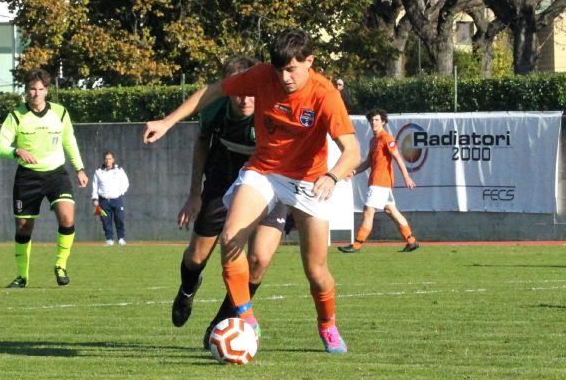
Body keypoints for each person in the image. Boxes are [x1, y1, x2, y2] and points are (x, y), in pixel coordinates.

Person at [143, 28, 361, 354]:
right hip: (263, 172)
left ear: (309, 61)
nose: (284, 78)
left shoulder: (324, 94)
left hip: (306, 181)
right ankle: (246, 318)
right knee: (230, 239)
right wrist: (167, 121)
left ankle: (327, 325)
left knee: (315, 271)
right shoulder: (260, 77)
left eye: (291, 70)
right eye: (279, 70)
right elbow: (211, 92)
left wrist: (332, 175)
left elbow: (352, 150)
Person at [170, 56, 288, 350]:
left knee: (258, 259)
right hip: (222, 180)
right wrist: (195, 193)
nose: (246, 99)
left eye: (251, 92)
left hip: (270, 182)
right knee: (196, 258)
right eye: (239, 91)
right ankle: (187, 289)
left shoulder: (272, 106)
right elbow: (201, 143)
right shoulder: (215, 108)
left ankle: (223, 320)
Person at [0, 68, 88, 288]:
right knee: (24, 228)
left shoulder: (60, 113)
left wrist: (79, 168)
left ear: (47, 91)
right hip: (27, 177)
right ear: (27, 92)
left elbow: (69, 141)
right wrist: (16, 151)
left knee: (67, 217)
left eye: (41, 89)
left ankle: (61, 265)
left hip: (56, 174)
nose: (36, 93)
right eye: (32, 89)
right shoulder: (16, 116)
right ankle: (22, 276)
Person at [338, 108, 420, 254]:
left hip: (380, 182)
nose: (374, 122)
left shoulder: (386, 138)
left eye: (377, 120)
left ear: (383, 122)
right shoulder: (373, 140)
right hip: (379, 182)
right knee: (391, 210)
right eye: (372, 120)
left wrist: (406, 177)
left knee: (368, 211)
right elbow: (369, 161)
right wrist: (353, 172)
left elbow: (398, 158)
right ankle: (411, 241)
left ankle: (356, 245)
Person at [91, 151, 130, 246]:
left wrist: (120, 192)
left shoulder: (119, 170)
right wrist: (95, 199)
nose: (108, 161)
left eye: (110, 159)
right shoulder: (98, 172)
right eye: (106, 159)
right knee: (105, 220)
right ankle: (109, 239)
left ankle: (121, 238)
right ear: (104, 160)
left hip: (117, 200)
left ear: (113, 160)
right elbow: (95, 186)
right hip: (103, 201)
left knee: (120, 219)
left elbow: (126, 183)